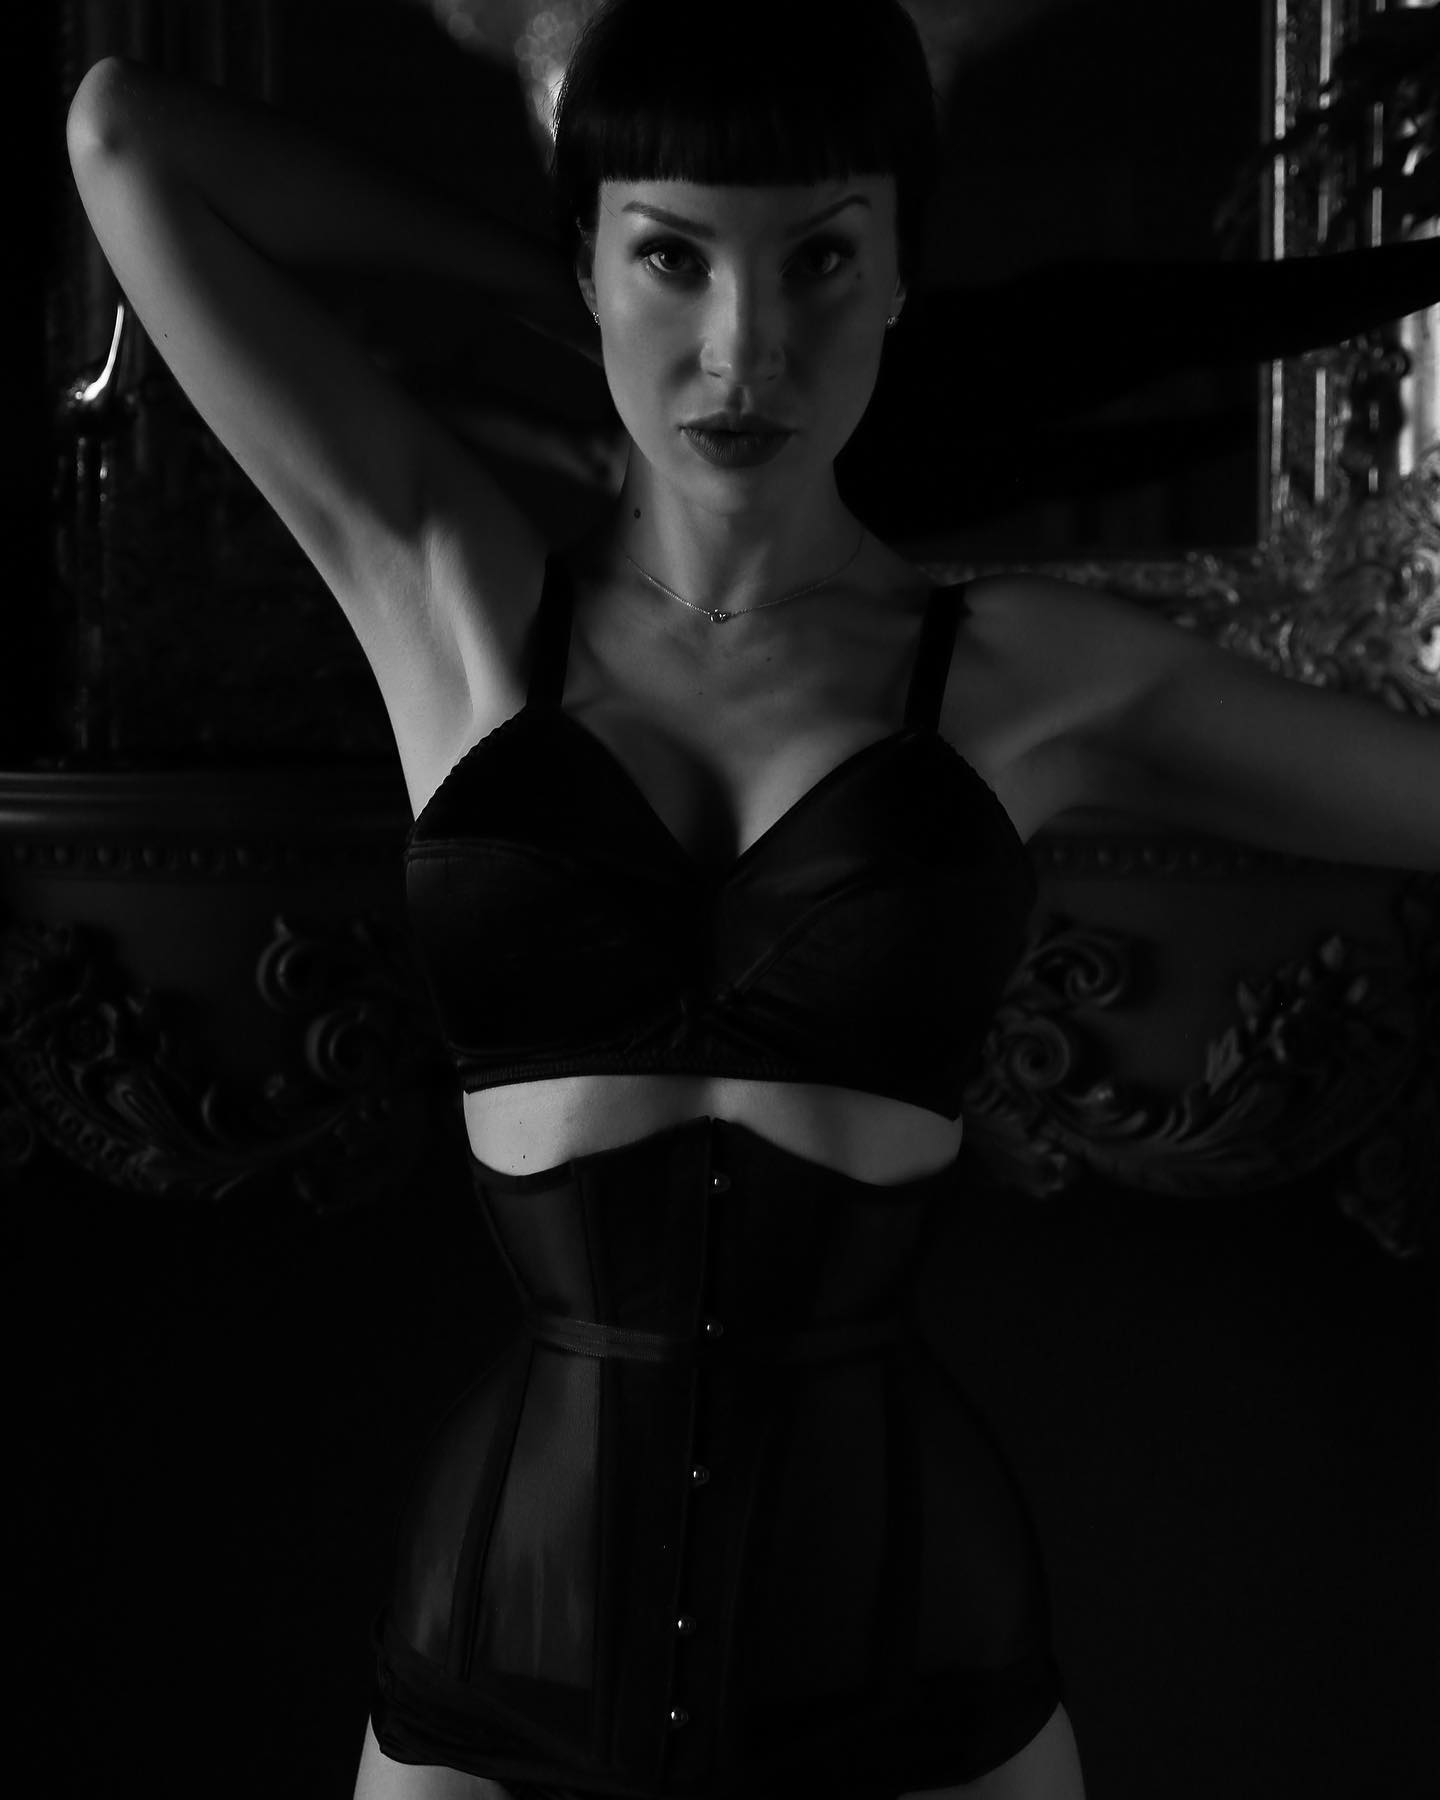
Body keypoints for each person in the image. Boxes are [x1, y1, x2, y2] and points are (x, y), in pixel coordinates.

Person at [64, 1, 1440, 1796]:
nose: (747, 349)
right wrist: (550, 276)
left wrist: (625, 257)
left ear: (900, 274)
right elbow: (124, 136)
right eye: (675, 259)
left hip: (913, 1657)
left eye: (818, 260)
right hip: (502, 1653)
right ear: (595, 262)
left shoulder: (1027, 675)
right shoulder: (451, 604)